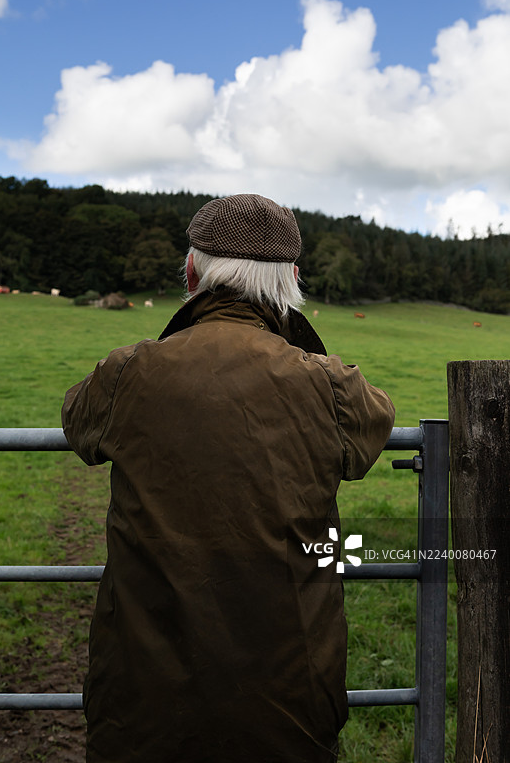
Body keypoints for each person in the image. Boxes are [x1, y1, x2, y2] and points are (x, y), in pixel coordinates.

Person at [62, 193, 395, 763]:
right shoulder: (332, 386)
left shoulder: (126, 373)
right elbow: (371, 428)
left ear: (192, 273)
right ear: (292, 281)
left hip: (141, 708)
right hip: (289, 707)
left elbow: (78, 424)